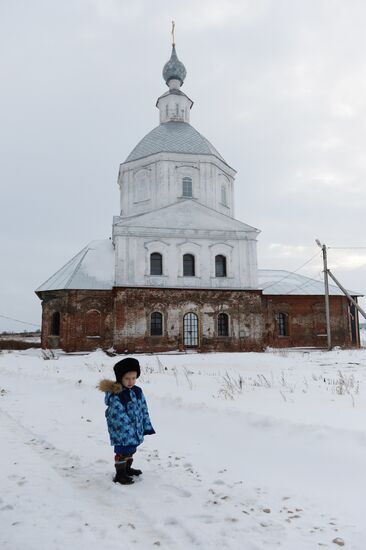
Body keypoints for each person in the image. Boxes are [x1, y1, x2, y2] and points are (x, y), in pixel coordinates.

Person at [99, 357, 155, 485]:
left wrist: (145, 425)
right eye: (127, 378)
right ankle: (120, 474)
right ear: (120, 378)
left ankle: (127, 469)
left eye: (134, 378)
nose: (131, 381)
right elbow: (117, 415)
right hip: (122, 431)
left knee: (131, 449)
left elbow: (143, 409)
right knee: (122, 452)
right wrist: (128, 429)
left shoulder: (137, 391)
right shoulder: (117, 395)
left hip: (134, 430)